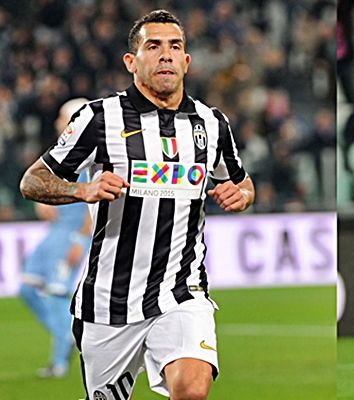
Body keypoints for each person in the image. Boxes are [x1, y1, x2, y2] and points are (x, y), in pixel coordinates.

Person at [19, 10, 254, 400]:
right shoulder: (98, 118)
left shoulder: (212, 124)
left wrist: (242, 195)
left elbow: (241, 182)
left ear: (186, 61)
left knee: (192, 390)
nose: (166, 55)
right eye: (153, 46)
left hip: (180, 292)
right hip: (108, 302)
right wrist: (83, 190)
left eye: (174, 47)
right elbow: (32, 180)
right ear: (132, 61)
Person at [19, 98, 92, 379]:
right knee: (27, 289)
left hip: (71, 235)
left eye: (63, 117)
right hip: (54, 233)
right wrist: (43, 201)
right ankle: (68, 333)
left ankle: (59, 361)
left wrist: (80, 241)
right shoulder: (60, 154)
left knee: (57, 294)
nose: (58, 123)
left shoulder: (90, 157)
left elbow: (94, 205)